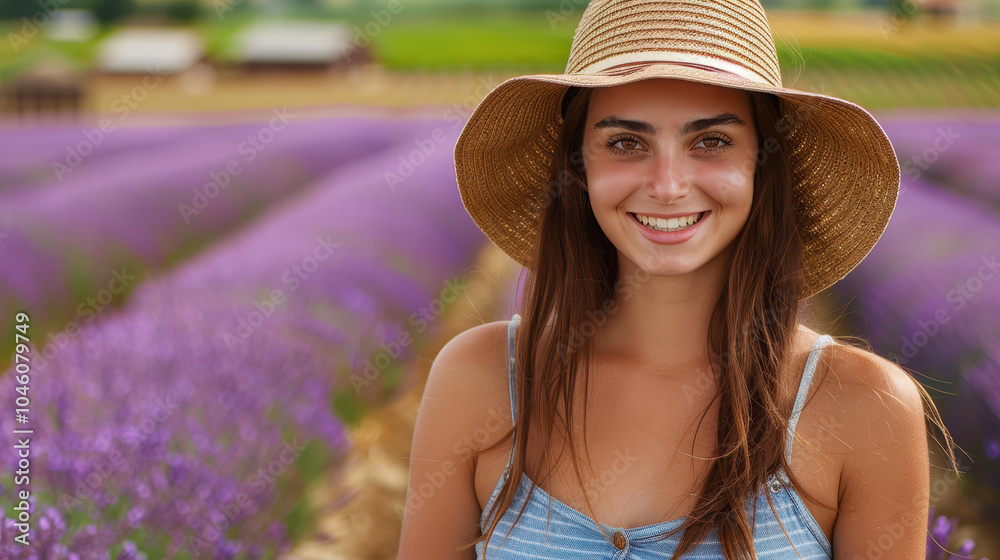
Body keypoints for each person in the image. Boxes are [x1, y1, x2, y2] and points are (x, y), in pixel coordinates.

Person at [399, 1, 960, 558]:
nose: (667, 186)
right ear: (578, 167)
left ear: (765, 166)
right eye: (626, 143)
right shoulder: (481, 382)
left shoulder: (865, 408)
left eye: (711, 141)